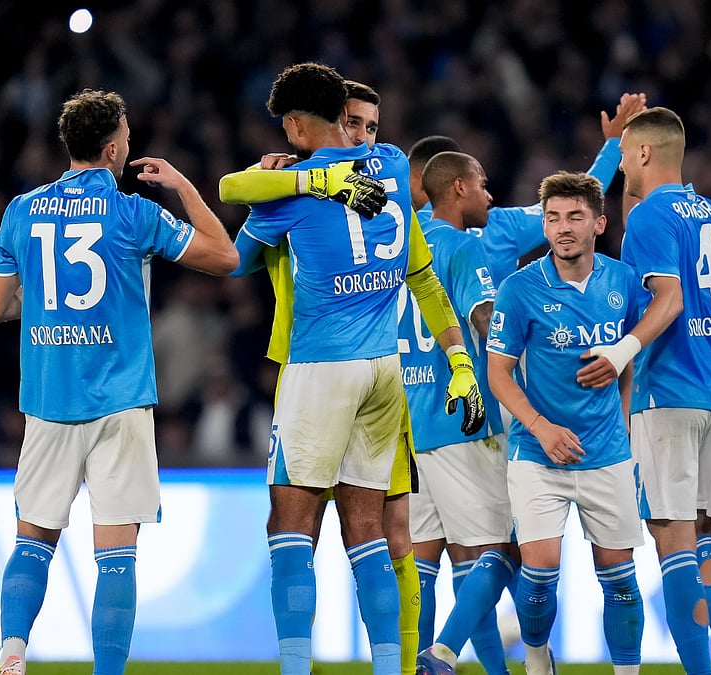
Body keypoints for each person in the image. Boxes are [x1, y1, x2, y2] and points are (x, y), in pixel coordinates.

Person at [219, 77, 485, 675]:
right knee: (367, 528)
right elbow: (423, 275)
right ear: (348, 117)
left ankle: (294, 668)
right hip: (383, 369)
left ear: (294, 124)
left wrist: (285, 183)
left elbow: (234, 249)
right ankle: (390, 668)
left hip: (318, 365)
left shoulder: (291, 192)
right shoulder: (392, 165)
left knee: (290, 521)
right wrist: (461, 363)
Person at [0, 88, 240, 675]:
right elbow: (224, 256)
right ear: (111, 148)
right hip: (120, 405)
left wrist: (51, 307)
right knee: (116, 556)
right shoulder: (133, 212)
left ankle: (12, 655)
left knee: (32, 541)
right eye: (125, 133)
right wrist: (182, 187)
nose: (129, 142)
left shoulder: (21, 211)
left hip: (48, 403)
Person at [586, 105, 711, 675]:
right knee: (703, 532)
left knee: (671, 536)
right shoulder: (710, 215)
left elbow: (671, 298)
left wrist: (620, 352)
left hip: (671, 394)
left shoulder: (651, 217)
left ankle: (702, 669)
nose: (623, 163)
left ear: (645, 153)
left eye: (626, 153)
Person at [487, 171, 646, 675]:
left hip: (606, 454)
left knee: (620, 578)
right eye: (553, 217)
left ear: (599, 223)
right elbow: (499, 374)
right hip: (538, 453)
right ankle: (537, 658)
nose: (562, 228)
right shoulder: (519, 289)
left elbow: (627, 360)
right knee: (538, 574)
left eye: (574, 217)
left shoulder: (623, 280)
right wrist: (541, 428)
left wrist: (620, 419)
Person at [398, 151, 515, 675]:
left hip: (405, 423)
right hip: (461, 418)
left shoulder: (395, 244)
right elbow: (485, 319)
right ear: (460, 188)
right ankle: (441, 655)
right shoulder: (462, 247)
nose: (489, 194)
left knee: (425, 559)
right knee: (501, 548)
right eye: (483, 184)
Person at [408, 93, 647, 288]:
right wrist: (614, 144)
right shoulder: (502, 226)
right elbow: (580, 198)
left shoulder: (396, 235)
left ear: (420, 179)